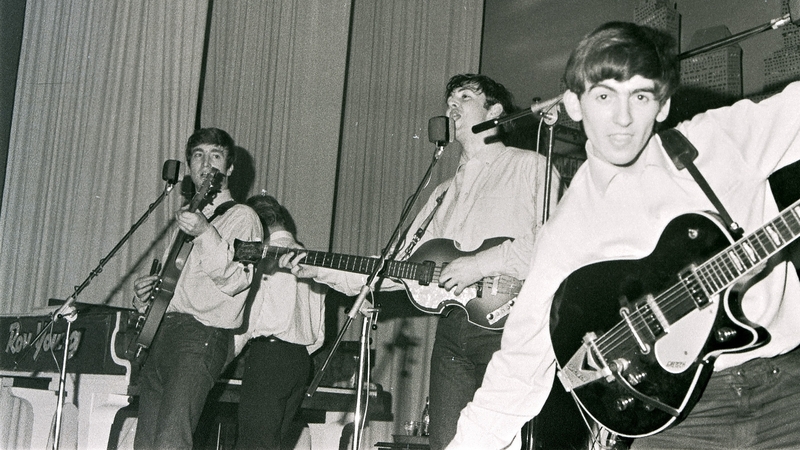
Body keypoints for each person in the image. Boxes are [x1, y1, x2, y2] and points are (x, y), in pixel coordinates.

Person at [446, 22, 800, 450]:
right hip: (683, 419)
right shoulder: (569, 229)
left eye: (641, 95)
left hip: (788, 390)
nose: (623, 117)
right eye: (604, 95)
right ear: (574, 104)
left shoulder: (717, 141)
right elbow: (520, 366)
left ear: (662, 105)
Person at [280, 73, 559, 450]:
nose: (451, 106)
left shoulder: (531, 167)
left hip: (513, 327)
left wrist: (477, 265)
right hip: (452, 334)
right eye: (449, 101)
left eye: (465, 96)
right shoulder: (444, 193)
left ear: (495, 111)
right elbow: (398, 268)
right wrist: (320, 269)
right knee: (445, 444)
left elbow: (552, 244)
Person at [132, 128, 263, 449]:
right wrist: (144, 298)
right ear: (189, 165)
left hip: (200, 338)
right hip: (162, 335)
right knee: (146, 443)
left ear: (229, 168)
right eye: (198, 155)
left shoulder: (245, 218)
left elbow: (237, 280)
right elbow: (174, 289)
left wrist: (206, 233)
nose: (206, 163)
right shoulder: (191, 217)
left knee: (171, 442)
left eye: (215, 155)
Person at [233, 194, 327, 450]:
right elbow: (319, 333)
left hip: (268, 358)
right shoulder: (314, 262)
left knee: (253, 445)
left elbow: (247, 319)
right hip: (299, 362)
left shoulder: (264, 258)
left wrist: (221, 358)